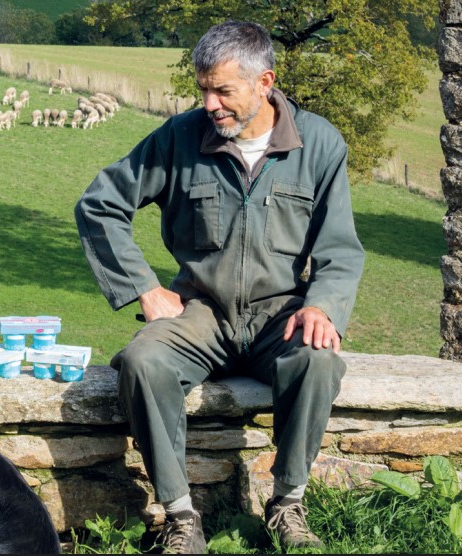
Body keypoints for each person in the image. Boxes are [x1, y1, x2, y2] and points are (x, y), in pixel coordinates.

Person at [75, 20, 365, 553]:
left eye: (222, 90)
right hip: (199, 311)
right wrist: (142, 286)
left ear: (265, 82)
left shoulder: (319, 143)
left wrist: (323, 305)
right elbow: (99, 206)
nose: (209, 103)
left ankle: (288, 504)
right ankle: (180, 516)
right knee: (143, 362)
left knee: (318, 360)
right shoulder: (180, 137)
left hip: (282, 313)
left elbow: (340, 246)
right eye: (203, 89)